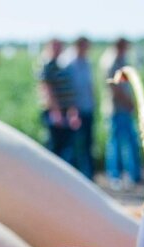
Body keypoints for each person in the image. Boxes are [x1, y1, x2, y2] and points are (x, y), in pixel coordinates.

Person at [99, 37, 143, 190]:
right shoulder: (111, 61)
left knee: (129, 141)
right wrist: (128, 102)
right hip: (116, 109)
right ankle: (115, 176)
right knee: (116, 143)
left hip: (123, 108)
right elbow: (114, 87)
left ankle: (133, 174)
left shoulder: (121, 58)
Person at [36, 38, 79, 168]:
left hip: (64, 110)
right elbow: (47, 90)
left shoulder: (61, 65)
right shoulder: (46, 65)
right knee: (55, 146)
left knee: (65, 145)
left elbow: (69, 90)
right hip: (55, 112)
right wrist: (56, 111)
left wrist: (72, 111)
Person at [61, 36, 96, 180]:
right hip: (75, 111)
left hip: (87, 107)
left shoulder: (86, 62)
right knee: (75, 146)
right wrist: (72, 110)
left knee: (87, 144)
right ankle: (73, 178)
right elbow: (67, 89)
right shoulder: (68, 63)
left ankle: (87, 177)